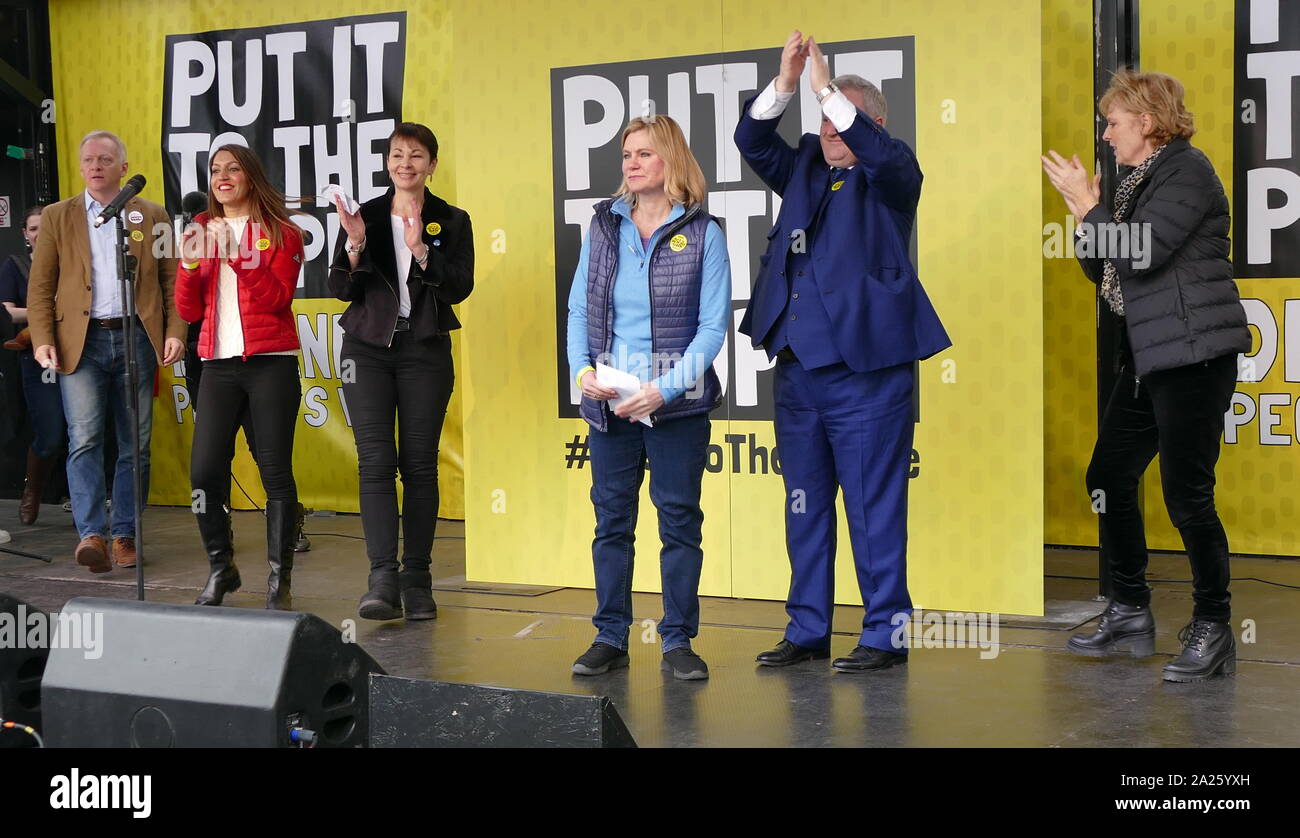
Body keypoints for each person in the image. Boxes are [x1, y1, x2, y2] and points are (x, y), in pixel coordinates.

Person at [736, 32, 951, 672]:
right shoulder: (803, 165)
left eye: (839, 120)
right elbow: (751, 142)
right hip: (799, 372)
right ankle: (807, 629)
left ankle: (886, 634)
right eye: (822, 121)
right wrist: (787, 81)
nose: (828, 130)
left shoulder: (893, 174)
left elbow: (880, 156)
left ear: (871, 126)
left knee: (872, 506)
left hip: (868, 376)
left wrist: (827, 87)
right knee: (803, 504)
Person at [1043, 70, 1251, 682]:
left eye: (1113, 123)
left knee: (1187, 495)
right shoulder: (1136, 181)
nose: (1106, 135)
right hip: (1148, 352)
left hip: (1194, 354)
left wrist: (1089, 206)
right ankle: (1131, 609)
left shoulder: (1188, 170)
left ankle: (1214, 628)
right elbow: (1100, 268)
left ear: (1148, 122)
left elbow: (1143, 251)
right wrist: (1087, 213)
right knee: (1108, 475)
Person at [566, 114, 730, 681]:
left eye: (643, 154)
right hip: (610, 403)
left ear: (671, 161)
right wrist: (581, 369)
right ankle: (610, 636)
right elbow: (581, 309)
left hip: (675, 405)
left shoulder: (705, 232)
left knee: (678, 521)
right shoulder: (604, 227)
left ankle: (678, 639)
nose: (631, 164)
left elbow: (712, 329)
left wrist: (662, 390)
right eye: (626, 155)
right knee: (612, 521)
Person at [329, 123, 473, 622]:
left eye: (415, 155)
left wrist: (420, 250)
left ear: (432, 164)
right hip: (367, 349)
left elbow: (459, 288)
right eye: (396, 155)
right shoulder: (363, 214)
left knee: (419, 464)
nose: (404, 163)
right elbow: (341, 288)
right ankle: (381, 577)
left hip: (424, 350)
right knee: (375, 462)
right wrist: (353, 244)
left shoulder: (451, 220)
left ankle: (418, 578)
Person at [26, 131, 186, 573]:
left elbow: (173, 280)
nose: (95, 166)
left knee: (136, 444)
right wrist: (42, 339)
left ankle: (125, 536)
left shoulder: (151, 214)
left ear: (123, 165)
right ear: (80, 167)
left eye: (105, 159)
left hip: (136, 336)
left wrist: (176, 331)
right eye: (88, 160)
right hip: (82, 341)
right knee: (86, 439)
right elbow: (40, 286)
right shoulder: (59, 216)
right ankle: (91, 534)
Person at [176, 144, 305, 610]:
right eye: (215, 169)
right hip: (218, 365)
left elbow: (276, 300)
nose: (222, 176)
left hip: (271, 364)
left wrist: (237, 255)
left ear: (251, 176)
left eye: (233, 169)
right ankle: (221, 568)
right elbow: (188, 310)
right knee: (204, 471)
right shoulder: (199, 230)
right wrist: (191, 265)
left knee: (275, 473)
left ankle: (278, 580)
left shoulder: (283, 233)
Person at [1, 205, 67, 525]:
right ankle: (34, 489)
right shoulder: (14, 266)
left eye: (46, 227)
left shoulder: (70, 263)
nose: (40, 233)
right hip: (37, 355)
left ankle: (85, 502)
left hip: (78, 352)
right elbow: (10, 312)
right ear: (25, 234)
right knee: (51, 433)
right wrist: (48, 309)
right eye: (34, 228)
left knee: (87, 432)